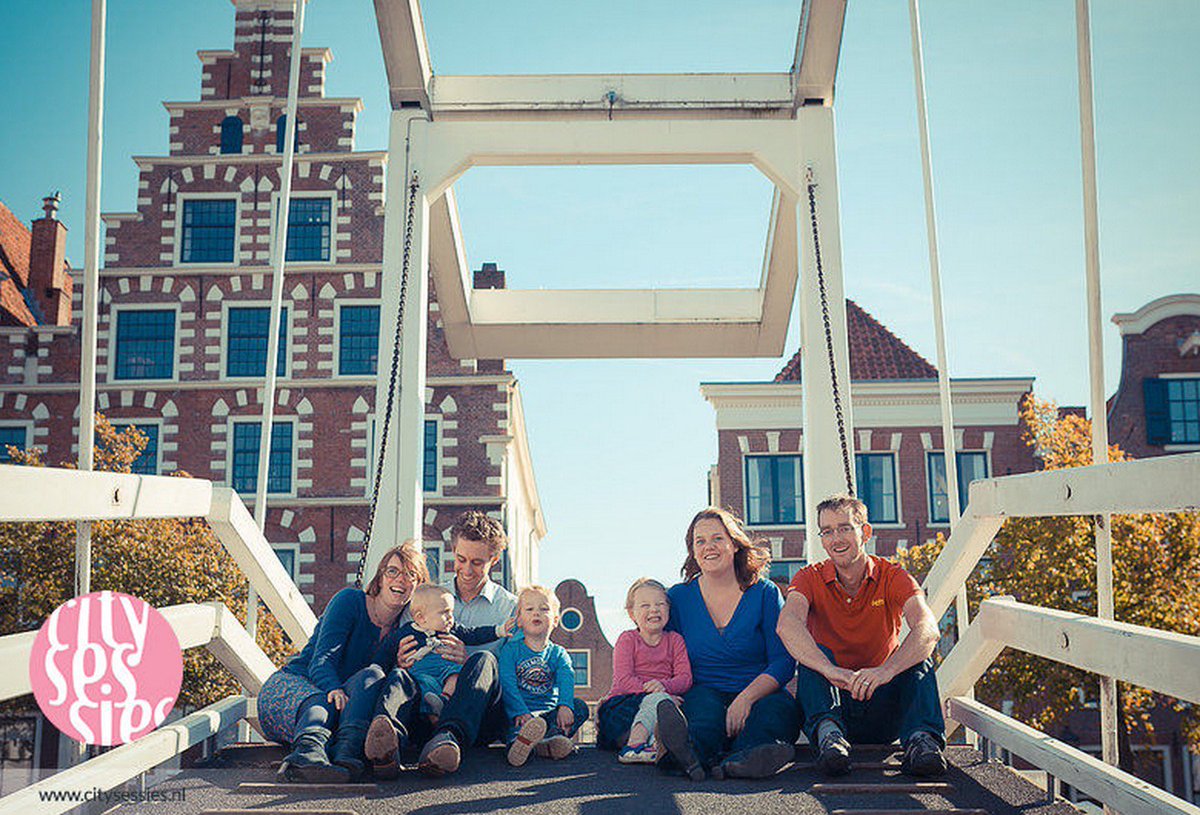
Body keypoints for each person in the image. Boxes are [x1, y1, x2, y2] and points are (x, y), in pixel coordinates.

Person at [776, 493, 947, 777]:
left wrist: (885, 671)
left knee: (919, 657)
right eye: (827, 531)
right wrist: (830, 670)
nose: (836, 539)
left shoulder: (892, 575)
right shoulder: (809, 577)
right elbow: (787, 624)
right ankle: (830, 739)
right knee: (813, 657)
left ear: (865, 532)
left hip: (883, 703)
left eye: (844, 528)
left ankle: (922, 743)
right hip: (833, 704)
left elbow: (928, 628)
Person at [362, 510, 519, 778]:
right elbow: (399, 648)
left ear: (494, 560)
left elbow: (513, 673)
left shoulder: (509, 609)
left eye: (477, 563)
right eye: (461, 559)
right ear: (453, 551)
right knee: (400, 676)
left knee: (484, 659)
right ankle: (387, 745)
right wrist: (402, 660)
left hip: (477, 718)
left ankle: (448, 740)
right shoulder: (427, 598)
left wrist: (466, 663)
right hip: (424, 707)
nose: (467, 570)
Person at [257, 540, 427, 782]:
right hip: (295, 689)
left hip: (344, 707)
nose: (400, 579)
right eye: (393, 571)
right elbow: (322, 660)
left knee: (374, 675)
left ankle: (346, 757)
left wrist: (401, 665)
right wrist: (333, 688)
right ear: (380, 578)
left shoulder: (406, 632)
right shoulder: (350, 601)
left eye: (411, 575)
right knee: (323, 700)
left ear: (417, 587)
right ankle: (306, 756)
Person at [659, 507, 799, 781]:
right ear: (693, 551)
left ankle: (745, 759)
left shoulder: (764, 592)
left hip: (760, 692)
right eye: (700, 541)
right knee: (703, 718)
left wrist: (746, 698)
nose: (708, 547)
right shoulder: (678, 598)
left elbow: (783, 661)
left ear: (734, 544)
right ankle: (688, 757)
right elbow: (663, 653)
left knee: (774, 714)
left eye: (717, 538)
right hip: (703, 690)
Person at [375, 583, 515, 721]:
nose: (450, 618)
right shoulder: (406, 632)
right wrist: (377, 666)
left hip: (447, 669)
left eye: (451, 612)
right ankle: (432, 718)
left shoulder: (452, 630)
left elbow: (474, 634)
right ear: (421, 618)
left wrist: (499, 631)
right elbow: (387, 649)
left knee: (456, 676)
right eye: (444, 612)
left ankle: (445, 698)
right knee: (423, 687)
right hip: (422, 673)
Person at [596, 577, 692, 763]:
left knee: (672, 712)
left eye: (660, 604)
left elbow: (685, 678)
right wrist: (659, 695)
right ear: (632, 613)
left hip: (660, 704)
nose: (654, 609)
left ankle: (655, 745)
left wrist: (663, 687)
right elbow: (624, 680)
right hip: (622, 708)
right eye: (645, 605)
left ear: (668, 609)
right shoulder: (627, 640)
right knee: (660, 703)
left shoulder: (675, 640)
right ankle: (634, 746)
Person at [498, 585, 591, 766]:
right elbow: (507, 683)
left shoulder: (558, 653)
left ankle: (550, 740)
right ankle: (521, 745)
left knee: (579, 707)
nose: (536, 613)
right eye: (529, 609)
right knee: (511, 723)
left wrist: (565, 705)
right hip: (520, 713)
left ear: (555, 620)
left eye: (544, 609)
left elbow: (566, 678)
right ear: (519, 620)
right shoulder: (510, 650)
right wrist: (520, 711)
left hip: (548, 714)